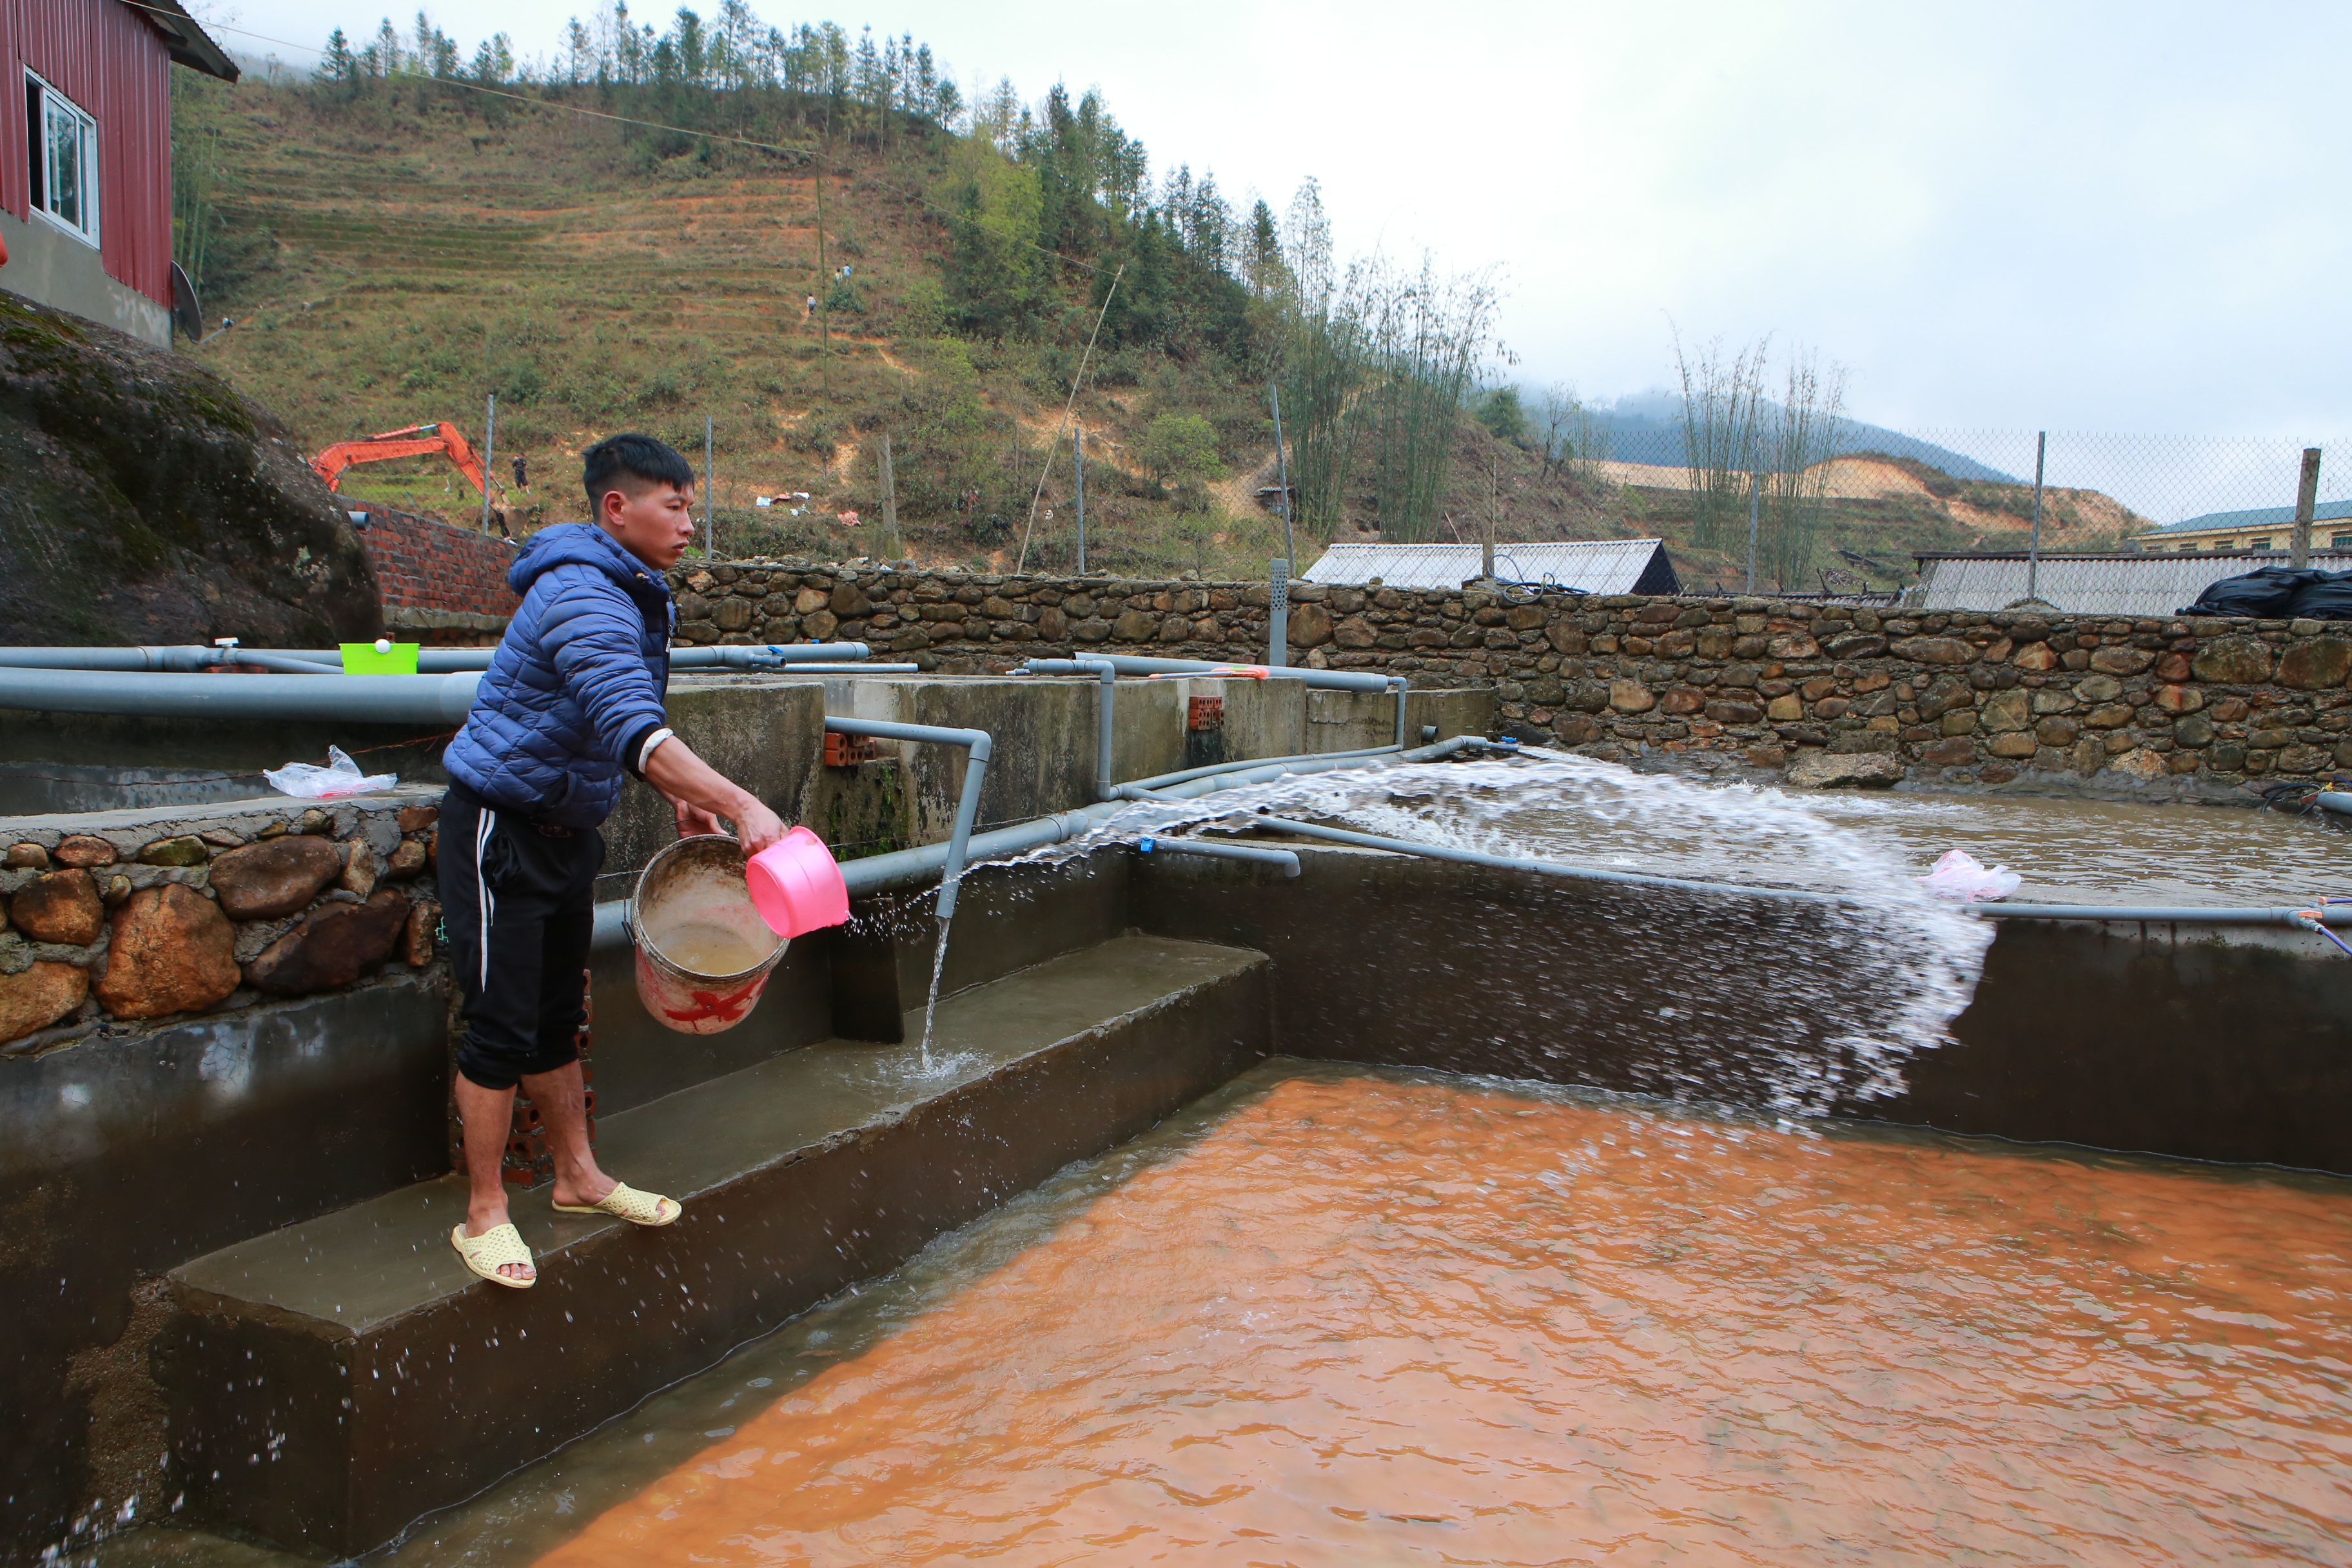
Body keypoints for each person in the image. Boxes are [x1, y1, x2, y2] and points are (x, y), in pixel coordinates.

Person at [437, 432, 787, 1288]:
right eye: (675, 505)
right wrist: (740, 803)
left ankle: (578, 1178)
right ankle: (484, 1213)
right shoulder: (584, 596)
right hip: (501, 827)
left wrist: (677, 790)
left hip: (563, 831)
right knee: (500, 1026)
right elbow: (633, 724)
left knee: (557, 1019)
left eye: (690, 506)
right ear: (616, 508)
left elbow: (609, 724)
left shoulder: (627, 587)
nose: (689, 524)